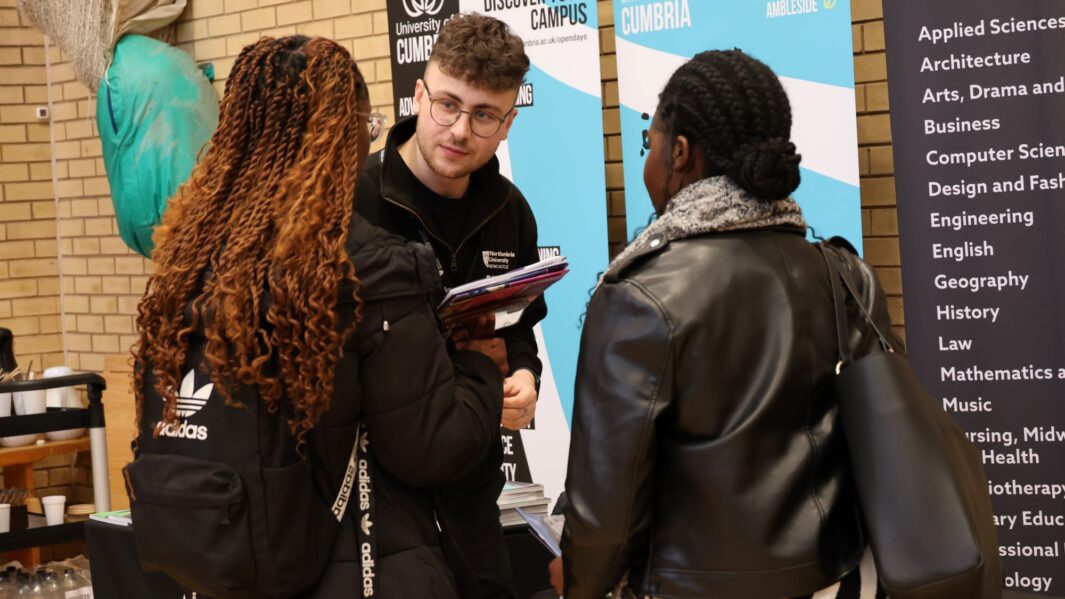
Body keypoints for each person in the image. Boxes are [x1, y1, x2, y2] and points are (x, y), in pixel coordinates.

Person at [134, 35, 504, 598]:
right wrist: (478, 369)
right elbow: (430, 447)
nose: (367, 138)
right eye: (366, 122)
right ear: (337, 135)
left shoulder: (190, 260)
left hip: (226, 564)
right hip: (358, 566)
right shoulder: (369, 267)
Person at [556, 49, 892, 599]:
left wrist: (580, 586)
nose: (649, 159)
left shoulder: (640, 296)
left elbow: (604, 514)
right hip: (840, 580)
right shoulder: (847, 276)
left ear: (680, 153)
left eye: (650, 144)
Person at [356, 13, 544, 599]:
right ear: (419, 95)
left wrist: (523, 376)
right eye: (447, 104)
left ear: (508, 123)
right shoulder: (356, 199)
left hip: (472, 487)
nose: (461, 129)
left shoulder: (510, 212)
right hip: (375, 497)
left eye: (484, 114)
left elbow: (518, 326)